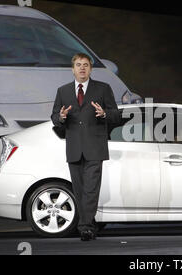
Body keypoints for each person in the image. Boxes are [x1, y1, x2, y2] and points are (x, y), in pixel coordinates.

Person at [51, 53, 120, 241]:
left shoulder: (103, 89)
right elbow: (55, 116)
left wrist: (104, 113)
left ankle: (86, 227)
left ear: (90, 69)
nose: (82, 68)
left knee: (91, 188)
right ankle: (89, 224)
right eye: (79, 65)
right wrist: (61, 118)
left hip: (95, 147)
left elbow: (116, 115)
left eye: (86, 65)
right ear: (73, 69)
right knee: (80, 190)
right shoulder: (63, 91)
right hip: (74, 147)